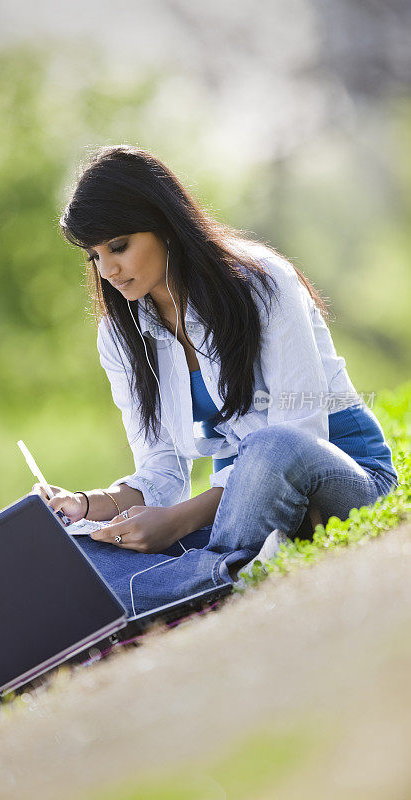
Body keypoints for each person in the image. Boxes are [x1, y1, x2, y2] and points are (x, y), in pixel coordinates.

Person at [35, 144, 398, 616]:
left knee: (270, 450)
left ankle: (191, 578)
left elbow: (296, 435)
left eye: (119, 246)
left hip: (334, 475)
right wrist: (89, 505)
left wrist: (178, 522)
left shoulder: (261, 281)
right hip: (239, 507)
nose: (107, 271)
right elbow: (161, 470)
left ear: (164, 223)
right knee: (78, 555)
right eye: (93, 257)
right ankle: (225, 569)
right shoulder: (119, 334)